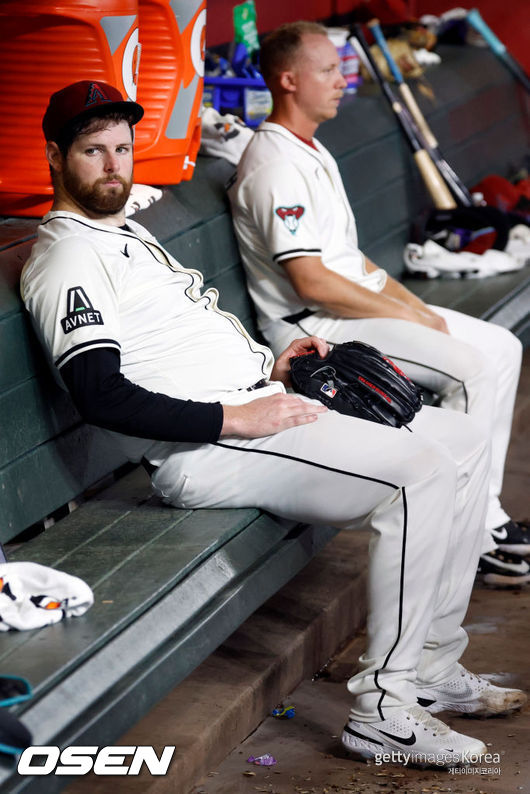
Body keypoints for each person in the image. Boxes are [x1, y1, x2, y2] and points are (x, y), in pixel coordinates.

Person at [22, 80, 526, 766]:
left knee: (461, 438)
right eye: (92, 151)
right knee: (420, 475)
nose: (114, 165)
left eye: (121, 148)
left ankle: (432, 667)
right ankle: (384, 704)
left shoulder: (120, 232)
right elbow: (101, 396)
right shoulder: (68, 258)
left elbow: (175, 348)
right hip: (204, 448)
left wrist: (274, 366)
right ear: (55, 156)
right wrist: (239, 413)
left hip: (255, 408)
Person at [227, 21, 529, 587]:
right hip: (314, 328)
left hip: (350, 309)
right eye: (327, 70)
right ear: (288, 80)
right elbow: (311, 281)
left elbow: (354, 261)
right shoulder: (274, 165)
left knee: (502, 345)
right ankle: (473, 530)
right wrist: (409, 316)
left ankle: (480, 512)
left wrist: (415, 306)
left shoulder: (309, 148)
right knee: (470, 370)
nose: (342, 80)